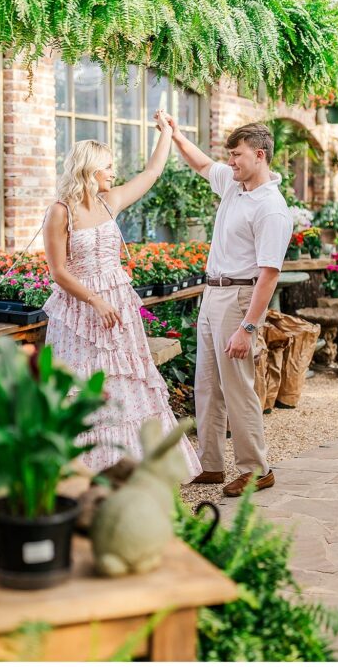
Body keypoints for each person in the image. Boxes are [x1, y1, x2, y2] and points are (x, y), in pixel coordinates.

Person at [42, 111, 202, 481]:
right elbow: (58, 272)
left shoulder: (108, 201)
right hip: (80, 313)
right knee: (88, 385)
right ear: (90, 170)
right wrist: (95, 300)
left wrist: (166, 132)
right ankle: (88, 475)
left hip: (120, 305)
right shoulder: (60, 211)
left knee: (126, 381)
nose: (114, 173)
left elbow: (151, 173)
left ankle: (138, 468)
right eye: (109, 167)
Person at [167, 116, 291, 497]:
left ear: (259, 154)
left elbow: (269, 275)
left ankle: (257, 469)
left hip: (240, 298)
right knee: (206, 384)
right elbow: (203, 164)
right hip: (212, 294)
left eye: (236, 155)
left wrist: (248, 328)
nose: (231, 162)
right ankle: (211, 465)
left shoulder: (271, 208)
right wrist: (175, 134)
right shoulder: (235, 187)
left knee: (238, 387)